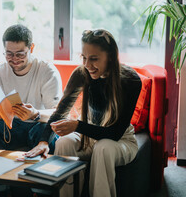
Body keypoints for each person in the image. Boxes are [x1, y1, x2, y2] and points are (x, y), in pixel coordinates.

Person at [26, 29, 142, 197]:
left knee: (103, 148)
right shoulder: (82, 73)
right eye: (84, 58)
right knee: (63, 142)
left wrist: (77, 125)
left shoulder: (130, 80)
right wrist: (44, 141)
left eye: (94, 59)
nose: (87, 65)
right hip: (88, 138)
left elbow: (115, 133)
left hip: (121, 140)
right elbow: (60, 112)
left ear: (109, 56)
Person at [0, 24, 63, 150]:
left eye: (20, 54)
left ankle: (40, 169)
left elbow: (58, 113)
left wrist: (35, 114)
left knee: (44, 130)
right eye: (9, 54)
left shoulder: (47, 71)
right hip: (11, 124)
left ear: (31, 48)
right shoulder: (0, 71)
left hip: (38, 123)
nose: (15, 59)